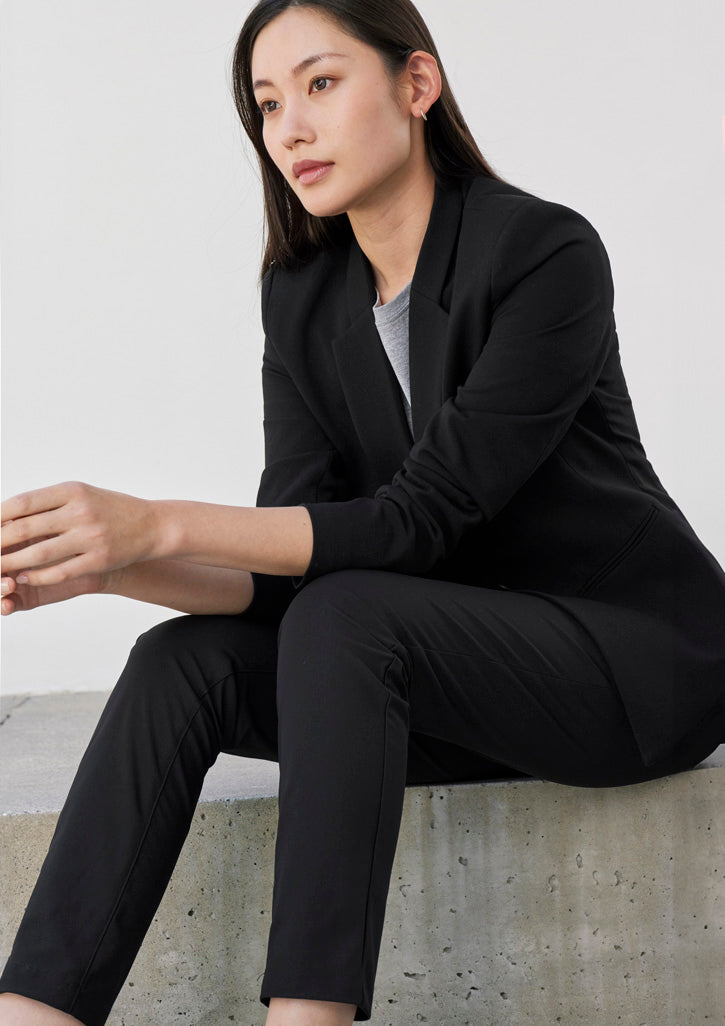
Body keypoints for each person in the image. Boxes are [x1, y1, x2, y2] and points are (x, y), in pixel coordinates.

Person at [1, 0, 724, 1023]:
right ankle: (35, 1013)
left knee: (348, 614)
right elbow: (295, 557)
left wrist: (155, 522)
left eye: (320, 83)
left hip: (626, 666)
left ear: (415, 85)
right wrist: (111, 567)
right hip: (445, 678)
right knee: (180, 661)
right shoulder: (301, 295)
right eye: (266, 103)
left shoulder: (542, 252)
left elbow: (417, 522)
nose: (287, 127)